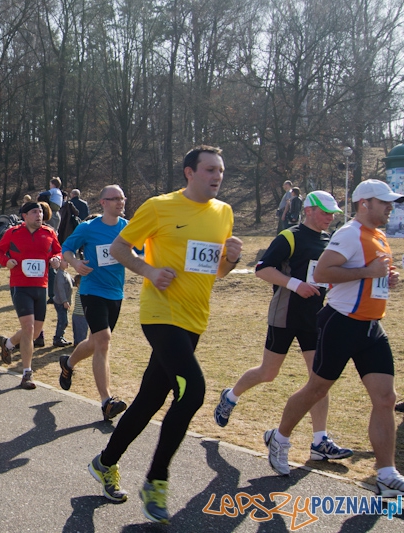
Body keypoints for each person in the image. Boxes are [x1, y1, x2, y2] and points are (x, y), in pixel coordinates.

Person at [87, 146, 242, 524]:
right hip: (160, 315)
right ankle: (156, 481)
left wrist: (231, 259)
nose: (217, 176)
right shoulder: (159, 207)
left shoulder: (224, 214)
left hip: (194, 320)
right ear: (189, 172)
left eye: (220, 170)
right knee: (193, 392)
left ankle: (104, 462)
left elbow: (215, 272)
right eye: (209, 169)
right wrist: (149, 271)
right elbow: (120, 247)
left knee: (149, 399)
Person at [264, 179, 404, 497]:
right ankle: (280, 436)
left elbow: (374, 274)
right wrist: (368, 273)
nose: (390, 207)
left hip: (372, 327)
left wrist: (387, 278)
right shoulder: (348, 234)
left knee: (386, 399)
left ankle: (386, 473)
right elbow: (324, 273)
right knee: (317, 388)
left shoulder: (379, 236)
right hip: (340, 323)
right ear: (364, 203)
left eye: (391, 202)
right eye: (385, 202)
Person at [214, 191, 353, 460]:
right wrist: (295, 285)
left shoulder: (329, 240)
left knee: (319, 380)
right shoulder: (290, 236)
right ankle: (230, 396)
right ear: (309, 210)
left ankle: (319, 441)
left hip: (315, 318)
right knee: (268, 372)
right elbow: (262, 268)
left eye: (332, 214)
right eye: (325, 212)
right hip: (285, 315)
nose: (329, 218)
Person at [58, 185, 130, 420]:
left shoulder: (127, 228)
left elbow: (140, 252)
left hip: (115, 294)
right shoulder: (88, 228)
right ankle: (106, 401)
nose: (120, 202)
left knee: (95, 342)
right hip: (91, 291)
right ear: (103, 203)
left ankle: (68, 363)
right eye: (115, 199)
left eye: (122, 198)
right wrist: (76, 264)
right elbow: (66, 248)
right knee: (104, 340)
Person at [0, 201, 62, 389]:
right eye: (34, 212)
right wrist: (6, 261)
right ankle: (26, 373)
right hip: (20, 286)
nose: (39, 215)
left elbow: (58, 251)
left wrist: (57, 259)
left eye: (40, 212)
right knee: (28, 327)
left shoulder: (49, 233)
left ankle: (8, 344)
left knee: (35, 332)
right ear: (24, 216)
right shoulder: (13, 233)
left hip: (41, 287)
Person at [52, 258, 73, 347]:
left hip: (64, 302)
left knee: (64, 320)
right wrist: (64, 301)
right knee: (63, 320)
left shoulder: (66, 273)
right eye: (65, 261)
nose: (67, 263)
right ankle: (57, 338)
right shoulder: (60, 275)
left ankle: (60, 336)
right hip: (60, 302)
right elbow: (61, 290)